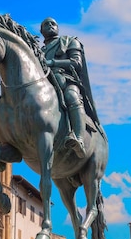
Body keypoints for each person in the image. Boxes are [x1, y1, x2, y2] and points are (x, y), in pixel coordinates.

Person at [41, 17, 100, 158]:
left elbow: (76, 63)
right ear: (41, 31)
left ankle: (78, 138)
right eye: (46, 24)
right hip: (46, 82)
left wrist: (53, 62)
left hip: (66, 79)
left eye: (53, 23)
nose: (50, 25)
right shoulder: (40, 51)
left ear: (57, 28)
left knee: (71, 96)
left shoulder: (69, 41)